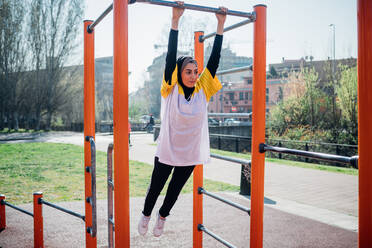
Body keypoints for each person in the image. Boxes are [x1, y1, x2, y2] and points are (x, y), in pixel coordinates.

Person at [138, 1, 227, 237]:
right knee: (156, 187)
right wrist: (175, 21)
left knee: (174, 191)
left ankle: (162, 216)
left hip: (189, 151)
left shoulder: (202, 89)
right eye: (188, 71)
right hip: (168, 148)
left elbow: (214, 61)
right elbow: (170, 57)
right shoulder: (171, 88)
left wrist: (220, 26)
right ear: (179, 73)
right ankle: (146, 213)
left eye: (195, 72)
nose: (193, 75)